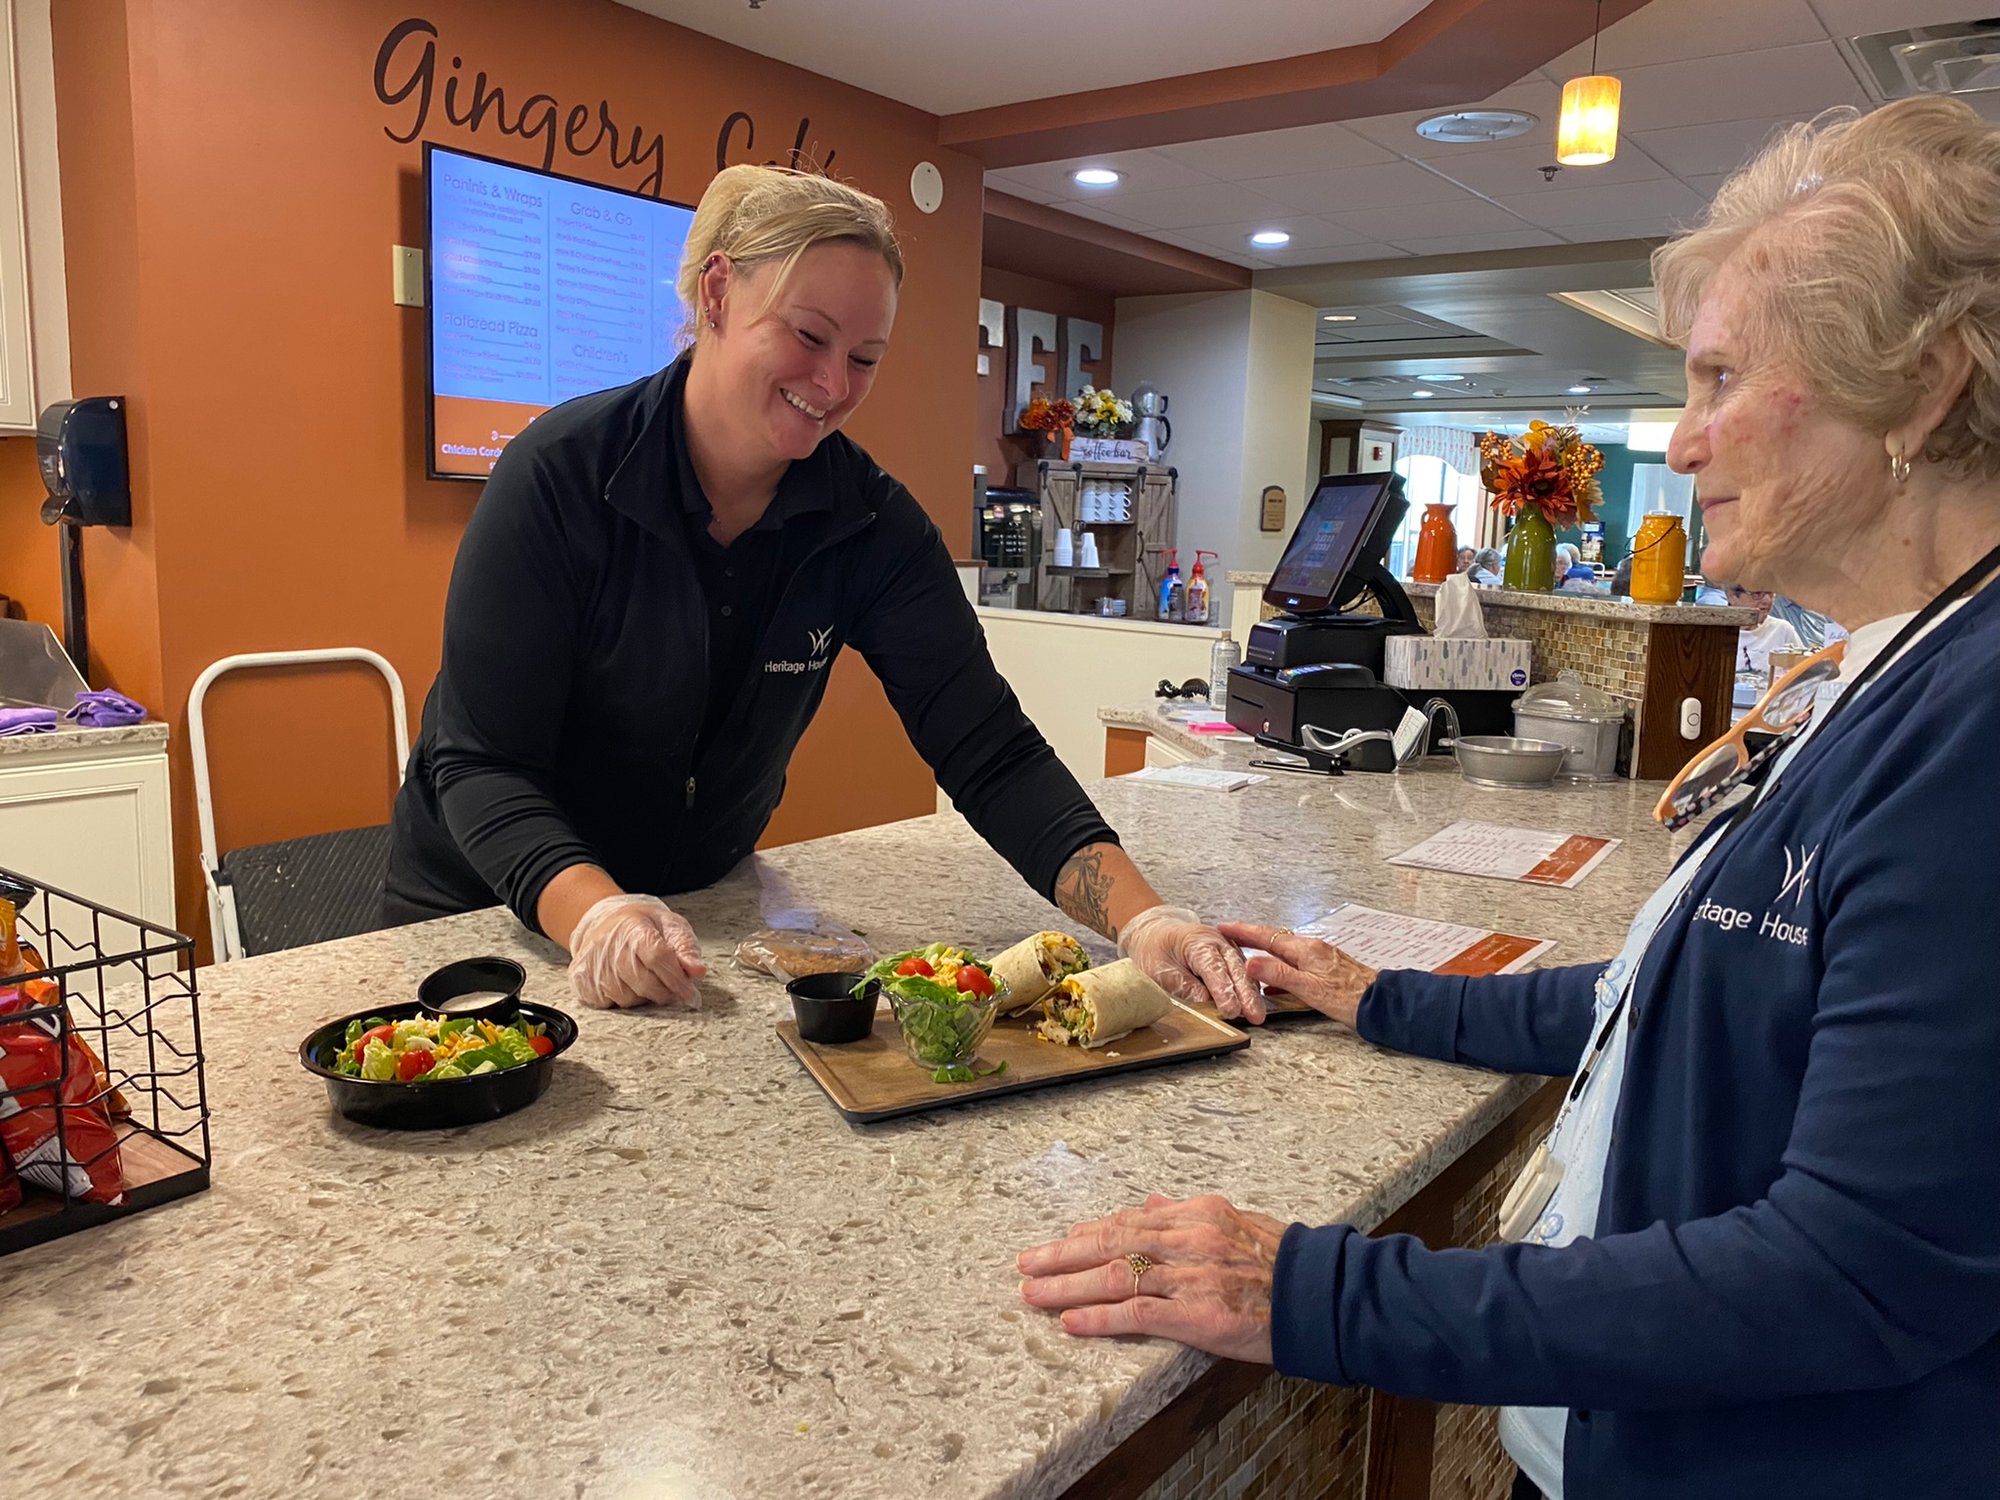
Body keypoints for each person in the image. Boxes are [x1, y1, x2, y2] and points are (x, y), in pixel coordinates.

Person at [1016, 96, 2000, 1499]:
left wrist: (1319, 1292)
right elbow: (1700, 989)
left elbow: (1851, 1273)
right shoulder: (1894, 673)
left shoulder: (1975, 730)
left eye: (1723, 380)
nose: (1687, 433)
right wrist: (1387, 996)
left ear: (1924, 387)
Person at [385, 165, 1256, 1018]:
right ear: (718, 294)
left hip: (695, 922)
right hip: (487, 918)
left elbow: (989, 750)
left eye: (865, 357)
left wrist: (1145, 919)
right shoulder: (560, 476)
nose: (834, 385)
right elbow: (481, 763)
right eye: (808, 337)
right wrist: (599, 914)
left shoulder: (869, 524)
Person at [1725, 583, 1806, 674]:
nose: (1767, 601)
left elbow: (1804, 673)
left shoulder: (1782, 630)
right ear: (1732, 597)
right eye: (1757, 594)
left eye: (1770, 594)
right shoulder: (1716, 633)